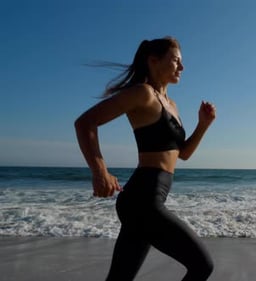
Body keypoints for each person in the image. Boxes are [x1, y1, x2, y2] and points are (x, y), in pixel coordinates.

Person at [75, 36, 216, 281]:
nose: (181, 68)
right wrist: (100, 171)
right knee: (202, 265)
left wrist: (203, 125)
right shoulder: (143, 94)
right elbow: (85, 123)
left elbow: (182, 154)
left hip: (144, 201)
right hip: (143, 201)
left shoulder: (171, 104)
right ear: (153, 61)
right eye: (175, 61)